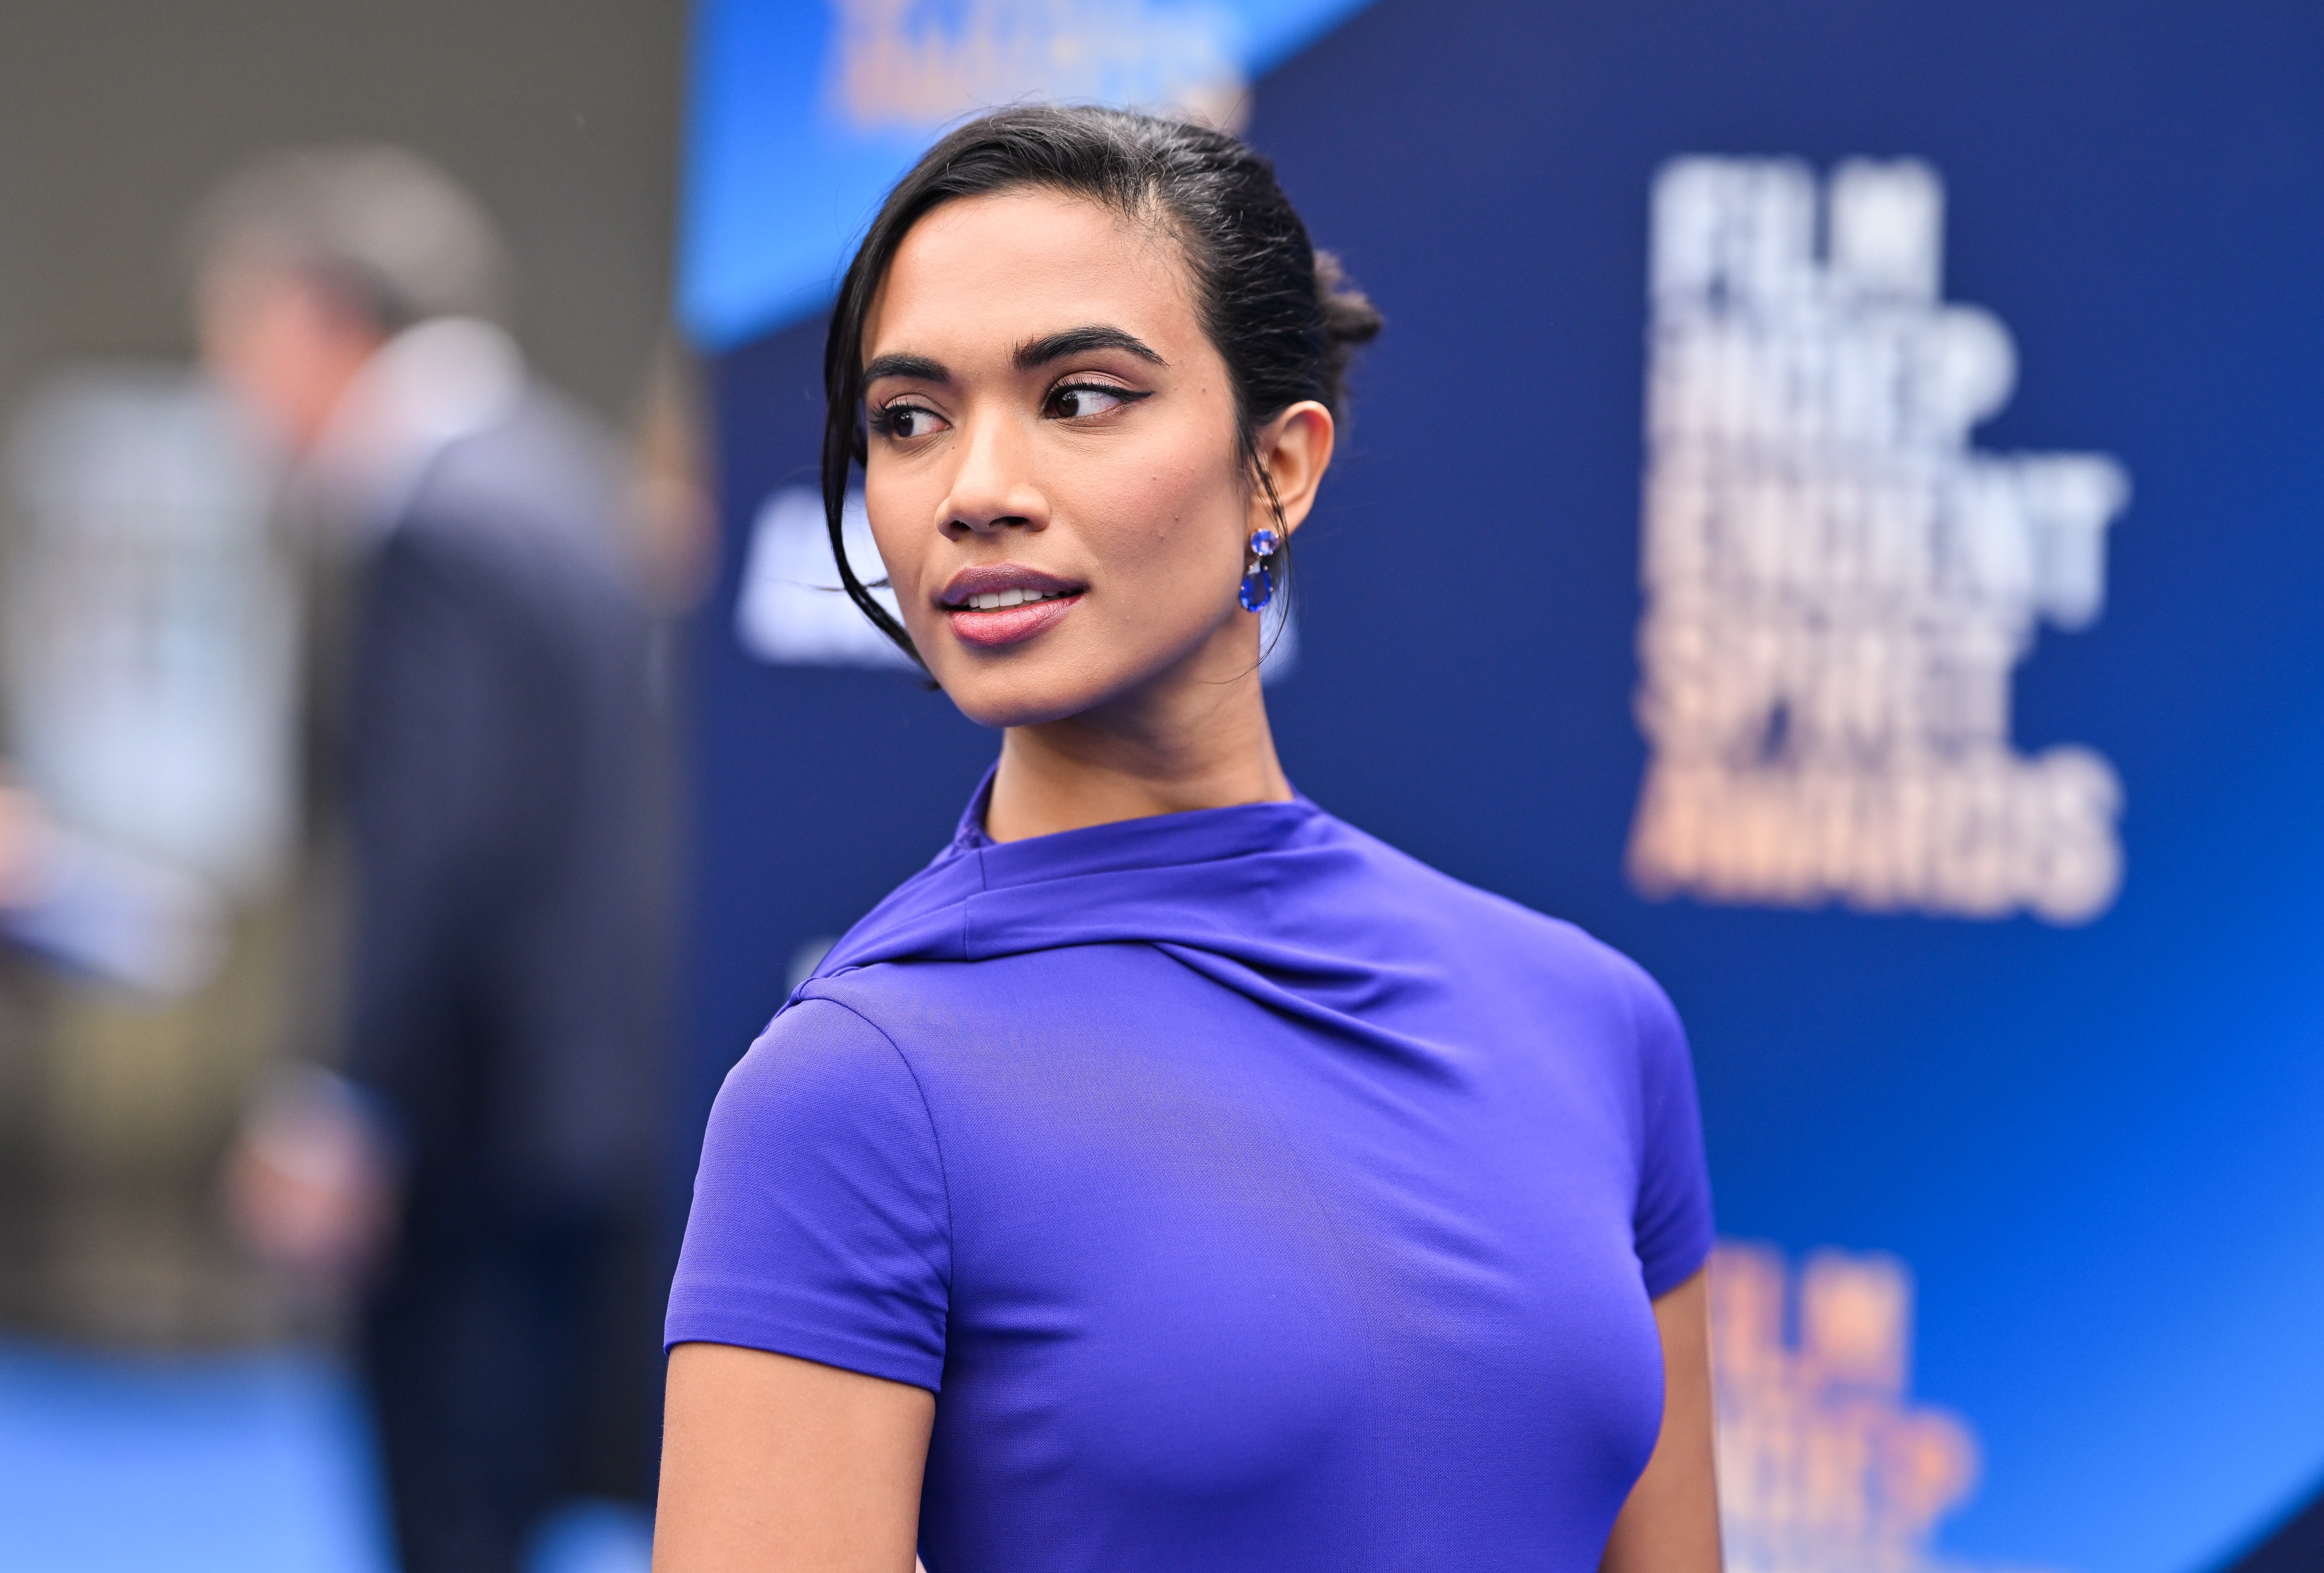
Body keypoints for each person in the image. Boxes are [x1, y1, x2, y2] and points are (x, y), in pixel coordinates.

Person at [657, 107, 1719, 1572]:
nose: (975, 490)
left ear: (1279, 468)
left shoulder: (1595, 1023)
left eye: (1081, 398)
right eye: (910, 419)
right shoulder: (851, 1095)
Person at [191, 147, 669, 1573]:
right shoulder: (559, 472)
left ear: (318, 322)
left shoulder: (438, 525)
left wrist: (342, 1101)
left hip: (471, 1124)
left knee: (454, 1516)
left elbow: (434, 844)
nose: (233, 391)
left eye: (238, 341)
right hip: (581, 1106)